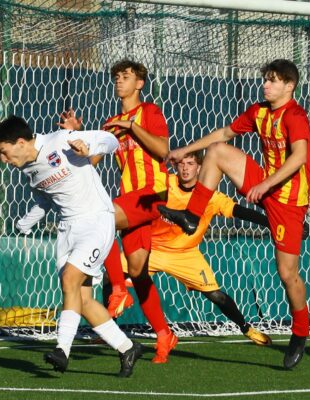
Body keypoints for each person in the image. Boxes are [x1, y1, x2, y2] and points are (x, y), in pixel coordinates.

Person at [159, 59, 310, 369]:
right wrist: (184, 150)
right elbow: (225, 132)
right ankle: (192, 217)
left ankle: (300, 332)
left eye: (272, 81)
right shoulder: (258, 111)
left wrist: (267, 184)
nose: (265, 85)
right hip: (264, 183)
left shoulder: (295, 115)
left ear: (289, 86)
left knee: (287, 274)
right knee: (216, 150)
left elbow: (300, 156)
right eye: (265, 79)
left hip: (288, 201)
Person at [0, 116, 143, 377]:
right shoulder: (27, 169)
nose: (3, 160)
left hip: (96, 221)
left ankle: (62, 350)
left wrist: (89, 148)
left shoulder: (61, 141)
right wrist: (24, 224)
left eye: (3, 152)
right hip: (67, 230)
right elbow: (45, 200)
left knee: (70, 279)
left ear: (21, 142)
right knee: (82, 300)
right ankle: (128, 347)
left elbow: (111, 140)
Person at [62, 59, 177, 364]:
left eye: (125, 77)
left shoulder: (149, 112)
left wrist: (132, 127)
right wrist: (77, 138)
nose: (119, 81)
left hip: (152, 195)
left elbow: (163, 151)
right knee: (139, 273)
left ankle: (117, 289)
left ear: (139, 83)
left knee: (100, 217)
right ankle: (164, 334)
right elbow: (90, 161)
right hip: (131, 201)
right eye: (116, 77)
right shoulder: (111, 122)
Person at [104, 151, 273, 345]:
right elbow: (139, 199)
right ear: (175, 167)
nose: (185, 168)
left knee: (217, 296)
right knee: (111, 275)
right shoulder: (165, 185)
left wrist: (270, 222)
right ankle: (109, 331)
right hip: (152, 249)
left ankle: (247, 329)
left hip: (185, 254)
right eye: (182, 164)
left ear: (200, 167)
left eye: (190, 163)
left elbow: (239, 211)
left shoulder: (210, 196)